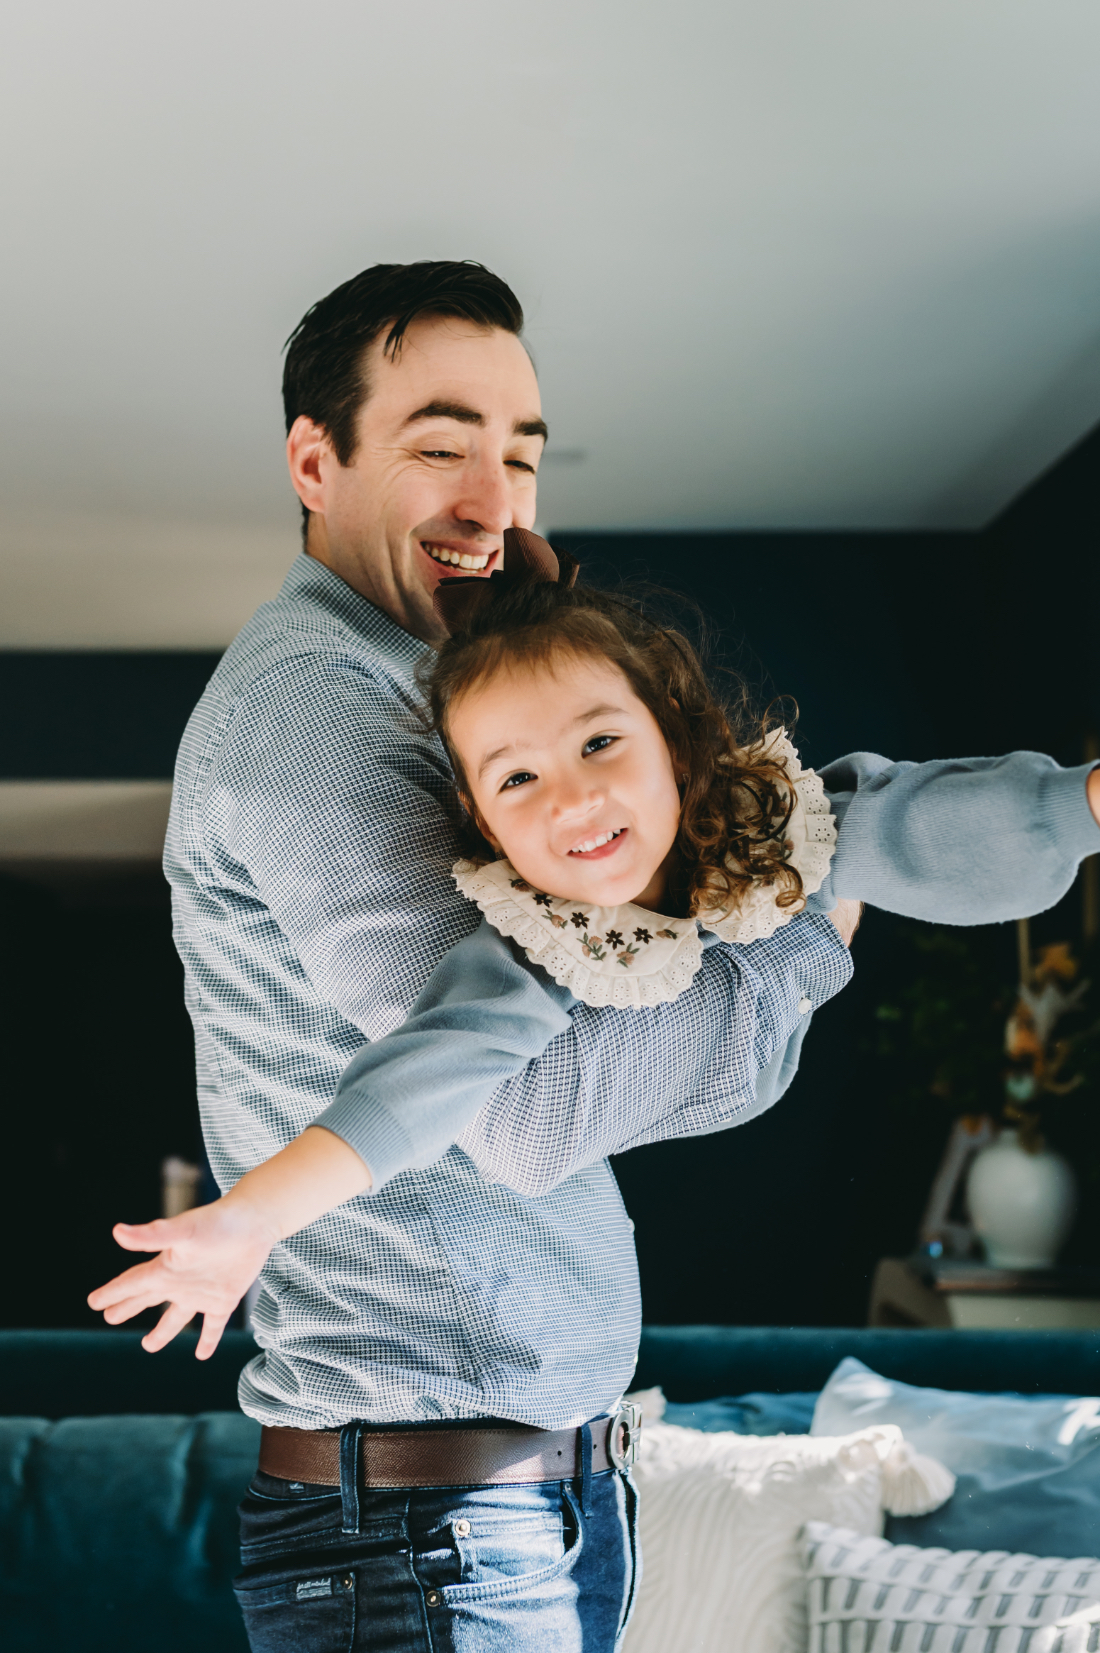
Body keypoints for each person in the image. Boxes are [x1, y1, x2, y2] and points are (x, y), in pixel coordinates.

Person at [89, 261, 1100, 1653]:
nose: (493, 499)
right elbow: (524, 1105)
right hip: (432, 1525)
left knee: (815, 814)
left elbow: (834, 825)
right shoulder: (322, 714)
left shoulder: (460, 685)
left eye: (519, 454)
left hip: (513, 1497)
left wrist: (1045, 814)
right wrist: (803, 928)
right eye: (441, 445)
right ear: (315, 461)